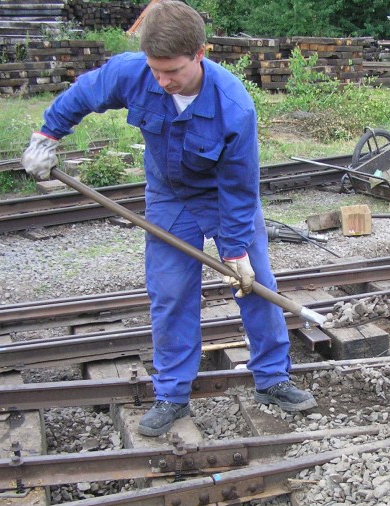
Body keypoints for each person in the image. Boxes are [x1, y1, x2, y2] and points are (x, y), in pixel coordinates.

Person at [21, 0, 317, 437]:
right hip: (169, 197)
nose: (162, 81)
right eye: (155, 70)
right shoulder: (135, 73)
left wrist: (235, 252)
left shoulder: (234, 106)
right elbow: (84, 93)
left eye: (172, 71)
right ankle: (172, 395)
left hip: (222, 199)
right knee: (171, 293)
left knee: (254, 287)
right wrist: (47, 136)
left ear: (200, 53)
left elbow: (238, 188)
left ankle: (272, 379)